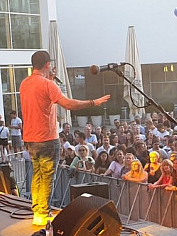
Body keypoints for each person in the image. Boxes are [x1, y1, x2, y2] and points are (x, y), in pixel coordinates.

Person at [20, 50, 110, 226]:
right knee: (47, 176)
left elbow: (40, 99)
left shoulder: (25, 84)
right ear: (47, 64)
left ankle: (37, 211)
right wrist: (93, 102)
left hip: (30, 137)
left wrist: (50, 79)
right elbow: (68, 104)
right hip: (46, 137)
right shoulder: (48, 85)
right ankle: (43, 213)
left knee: (37, 174)